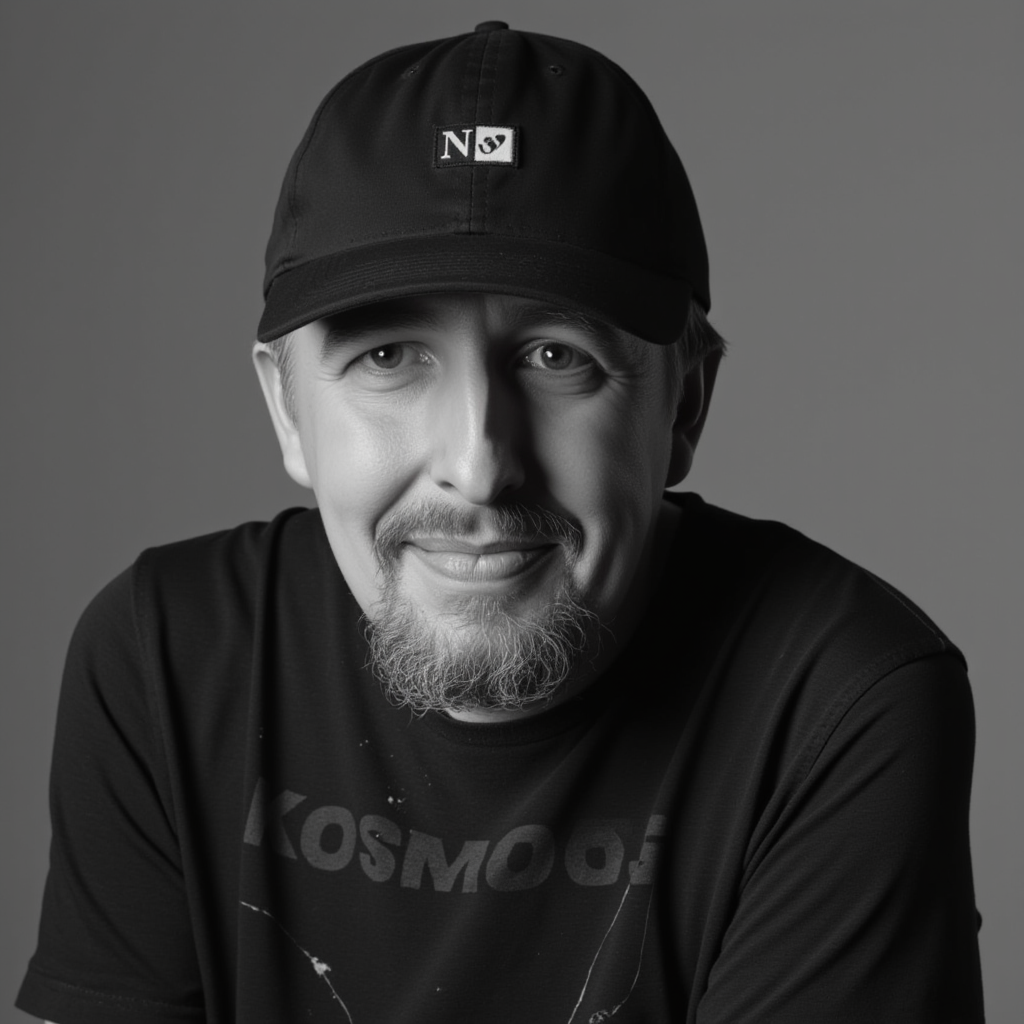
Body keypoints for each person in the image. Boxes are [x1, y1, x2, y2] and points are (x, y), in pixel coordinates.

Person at [17, 21, 984, 1024]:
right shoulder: (168, 657)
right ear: (287, 410)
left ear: (683, 404)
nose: (478, 466)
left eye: (557, 358)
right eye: (389, 357)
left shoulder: (839, 699)